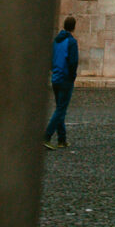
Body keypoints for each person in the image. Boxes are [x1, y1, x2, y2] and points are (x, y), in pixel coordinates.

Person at [44, 16, 79, 149]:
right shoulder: (71, 42)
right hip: (65, 79)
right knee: (60, 109)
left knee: (60, 108)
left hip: (56, 78)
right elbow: (73, 62)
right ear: (74, 27)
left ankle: (62, 139)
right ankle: (46, 136)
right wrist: (73, 76)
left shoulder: (56, 41)